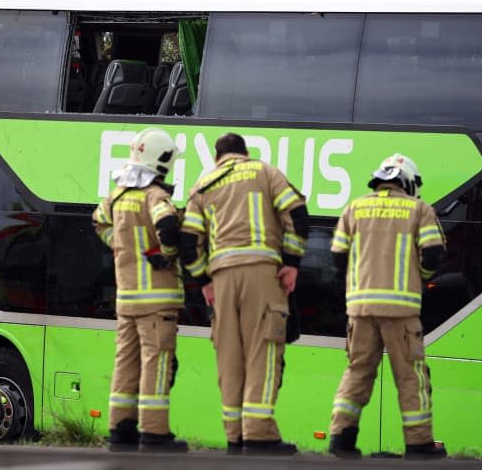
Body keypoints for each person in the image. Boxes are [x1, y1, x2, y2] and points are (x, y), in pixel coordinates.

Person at [179, 132, 309, 456]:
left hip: (221, 280)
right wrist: (291, 263)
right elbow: (298, 215)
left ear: (217, 158)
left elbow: (187, 242)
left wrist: (203, 280)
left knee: (229, 359)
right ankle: (259, 435)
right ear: (244, 153)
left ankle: (235, 436)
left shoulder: (202, 185)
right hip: (262, 274)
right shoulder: (265, 172)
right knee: (263, 353)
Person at [328, 153, 447, 460]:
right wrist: (418, 277)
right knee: (410, 376)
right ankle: (419, 444)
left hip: (360, 309)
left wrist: (358, 283)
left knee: (357, 372)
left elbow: (338, 255)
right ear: (406, 181)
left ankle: (341, 439)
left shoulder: (354, 208)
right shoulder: (419, 209)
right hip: (401, 311)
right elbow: (433, 254)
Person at [92, 128, 188, 453]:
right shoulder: (154, 196)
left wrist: (120, 246)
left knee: (126, 362)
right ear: (160, 161)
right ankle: (154, 432)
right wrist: (167, 255)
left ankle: (120, 429)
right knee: (156, 362)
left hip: (126, 299)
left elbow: (99, 221)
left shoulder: (118, 195)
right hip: (156, 302)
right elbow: (169, 230)